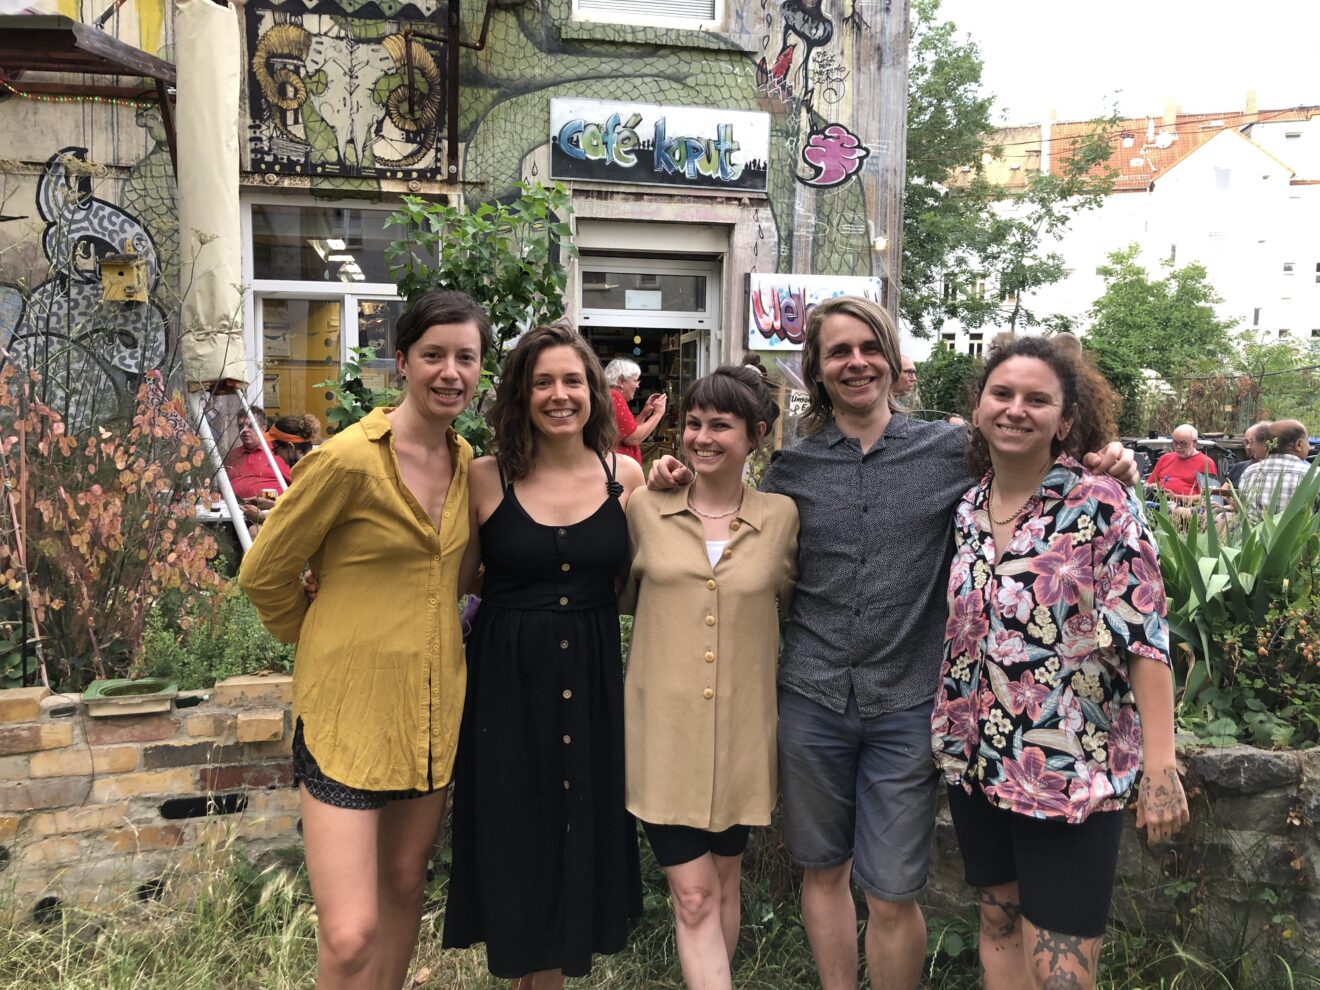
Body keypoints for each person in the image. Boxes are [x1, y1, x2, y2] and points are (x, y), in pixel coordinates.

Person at [647, 296, 1137, 990]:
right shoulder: (790, 472)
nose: (856, 363)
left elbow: (1035, 473)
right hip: (812, 699)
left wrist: (1103, 460)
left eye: (868, 348)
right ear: (815, 369)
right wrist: (674, 474)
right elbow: (728, 516)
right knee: (822, 870)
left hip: (908, 704)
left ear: (893, 362)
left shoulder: (951, 453)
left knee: (892, 890)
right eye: (838, 352)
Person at [238, 289, 491, 990]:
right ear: (403, 361)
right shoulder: (348, 460)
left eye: (465, 358)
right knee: (349, 934)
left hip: (432, 715)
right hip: (348, 717)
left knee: (405, 884)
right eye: (434, 355)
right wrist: (317, 637)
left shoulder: (469, 463)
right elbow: (264, 572)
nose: (450, 372)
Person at [933, 336, 1188, 989]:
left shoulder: (1100, 503)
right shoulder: (967, 509)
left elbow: (1145, 637)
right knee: (997, 925)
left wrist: (1161, 765)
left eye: (1037, 399)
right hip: (978, 760)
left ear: (1065, 420)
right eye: (1003, 394)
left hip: (1070, 767)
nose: (1017, 409)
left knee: (1062, 970)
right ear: (981, 407)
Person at [443, 323, 645, 988]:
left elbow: (648, 577)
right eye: (542, 383)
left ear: (594, 390)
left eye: (572, 381)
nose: (559, 395)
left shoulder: (629, 477)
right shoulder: (482, 477)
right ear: (520, 395)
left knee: (573, 835)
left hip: (590, 686)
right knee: (517, 841)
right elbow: (452, 581)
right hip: (505, 688)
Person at [621, 366, 798, 990]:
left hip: (743, 738)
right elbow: (610, 594)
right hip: (663, 739)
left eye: (720, 425)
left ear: (754, 436)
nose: (702, 436)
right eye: (693, 423)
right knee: (693, 895)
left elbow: (799, 610)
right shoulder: (643, 508)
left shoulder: (782, 519)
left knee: (723, 883)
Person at [1239, 418, 1318, 522]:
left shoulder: (1249, 472)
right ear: (1299, 444)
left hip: (1254, 537)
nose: (1309, 446)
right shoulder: (1314, 475)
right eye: (1307, 441)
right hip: (1298, 538)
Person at [605, 357, 667, 464]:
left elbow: (628, 431)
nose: (637, 386)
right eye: (635, 381)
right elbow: (632, 439)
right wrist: (657, 414)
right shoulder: (614, 397)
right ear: (620, 381)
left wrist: (645, 412)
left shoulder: (609, 396)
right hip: (620, 469)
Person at [224, 407, 291, 499]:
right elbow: (221, 487)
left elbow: (296, 487)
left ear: (263, 428)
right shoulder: (232, 455)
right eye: (241, 426)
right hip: (234, 509)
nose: (245, 430)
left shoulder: (278, 452)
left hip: (269, 509)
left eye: (251, 426)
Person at [1146, 424, 1217, 498]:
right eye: (1175, 443)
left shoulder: (1206, 463)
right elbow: (1148, 484)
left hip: (1187, 507)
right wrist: (1150, 488)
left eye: (1183, 443)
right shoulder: (1165, 458)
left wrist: (1176, 497)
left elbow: (1209, 497)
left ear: (1194, 443)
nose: (1178, 447)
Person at [1225, 420, 1271, 489]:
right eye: (1246, 442)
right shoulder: (1238, 468)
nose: (1248, 447)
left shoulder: (1273, 470)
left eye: (1252, 442)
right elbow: (1222, 492)